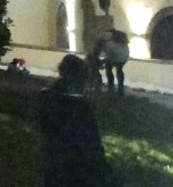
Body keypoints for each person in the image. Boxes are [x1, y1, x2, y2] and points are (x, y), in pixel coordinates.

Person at [36, 54, 120, 187]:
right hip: (79, 169)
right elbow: (93, 146)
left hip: (55, 165)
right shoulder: (80, 110)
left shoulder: (48, 98)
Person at [102, 28, 130, 96]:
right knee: (119, 70)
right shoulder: (123, 39)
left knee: (108, 69)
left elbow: (108, 52)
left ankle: (110, 86)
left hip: (115, 57)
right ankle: (120, 87)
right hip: (123, 58)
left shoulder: (111, 42)